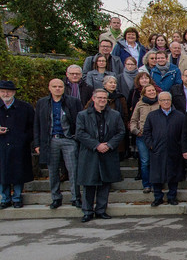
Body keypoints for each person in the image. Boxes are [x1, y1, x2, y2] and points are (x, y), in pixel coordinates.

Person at [75, 89, 126, 222]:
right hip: (90, 153)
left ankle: (101, 210)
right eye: (100, 97)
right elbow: (80, 133)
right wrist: (96, 145)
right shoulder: (83, 115)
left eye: (105, 98)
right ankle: (87, 211)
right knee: (88, 183)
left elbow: (121, 132)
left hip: (108, 153)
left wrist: (108, 145)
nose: (102, 100)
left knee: (105, 183)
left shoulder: (115, 115)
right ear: (93, 98)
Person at [33, 79, 84, 209]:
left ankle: (76, 197)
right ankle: (56, 198)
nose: (57, 89)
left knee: (73, 170)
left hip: (69, 139)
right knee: (53, 171)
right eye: (54, 86)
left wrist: (77, 138)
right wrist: (37, 143)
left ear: (63, 88)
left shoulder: (73, 101)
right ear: (49, 88)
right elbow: (37, 124)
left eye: (60, 86)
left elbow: (80, 121)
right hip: (50, 140)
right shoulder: (42, 103)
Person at [143, 92, 185, 206]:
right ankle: (158, 197)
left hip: (174, 149)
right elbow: (146, 132)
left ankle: (172, 197)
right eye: (163, 100)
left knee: (173, 174)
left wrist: (180, 146)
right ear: (159, 102)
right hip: (157, 150)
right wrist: (151, 145)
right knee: (157, 175)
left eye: (168, 100)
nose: (166, 102)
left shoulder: (180, 116)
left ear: (171, 101)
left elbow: (184, 133)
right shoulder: (152, 116)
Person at [0, 81, 34, 209]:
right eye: (3, 91)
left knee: (18, 173)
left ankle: (17, 197)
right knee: (2, 173)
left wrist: (25, 139)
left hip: (19, 146)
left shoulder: (25, 107)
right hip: (1, 145)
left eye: (8, 91)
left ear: (14, 92)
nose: (5, 94)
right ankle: (5, 198)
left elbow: (32, 126)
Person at [129, 83, 160, 194]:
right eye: (149, 91)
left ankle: (157, 183)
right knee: (145, 161)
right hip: (142, 137)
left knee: (156, 161)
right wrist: (136, 131)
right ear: (144, 93)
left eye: (153, 90)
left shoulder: (160, 103)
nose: (152, 92)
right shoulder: (140, 104)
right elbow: (133, 120)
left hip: (157, 137)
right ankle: (146, 184)